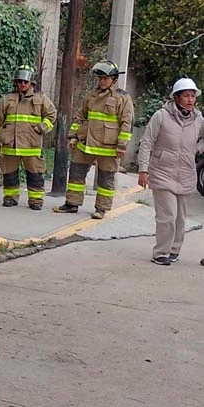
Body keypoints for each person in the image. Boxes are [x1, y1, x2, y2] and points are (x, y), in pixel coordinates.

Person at [53, 60, 134, 219]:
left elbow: (126, 123)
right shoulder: (91, 96)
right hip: (85, 144)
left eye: (105, 78)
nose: (102, 81)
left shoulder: (122, 98)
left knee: (106, 178)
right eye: (100, 78)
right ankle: (72, 204)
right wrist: (73, 136)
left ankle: (101, 208)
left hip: (108, 147)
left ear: (113, 79)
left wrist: (121, 146)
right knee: (76, 174)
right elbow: (80, 117)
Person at [138, 78, 203, 266]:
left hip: (186, 174)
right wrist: (143, 169)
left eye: (193, 96)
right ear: (176, 97)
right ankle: (160, 252)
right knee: (168, 217)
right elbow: (147, 142)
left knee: (181, 219)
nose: (190, 100)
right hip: (162, 172)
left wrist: (197, 149)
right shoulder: (161, 116)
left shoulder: (198, 119)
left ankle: (174, 250)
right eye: (186, 96)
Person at [0, 65, 57, 210]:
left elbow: (52, 115)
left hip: (31, 144)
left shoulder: (41, 99)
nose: (22, 84)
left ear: (32, 82)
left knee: (35, 174)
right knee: (9, 173)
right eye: (19, 81)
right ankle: (10, 198)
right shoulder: (7, 99)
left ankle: (36, 200)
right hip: (10, 144)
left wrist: (42, 127)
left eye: (25, 81)